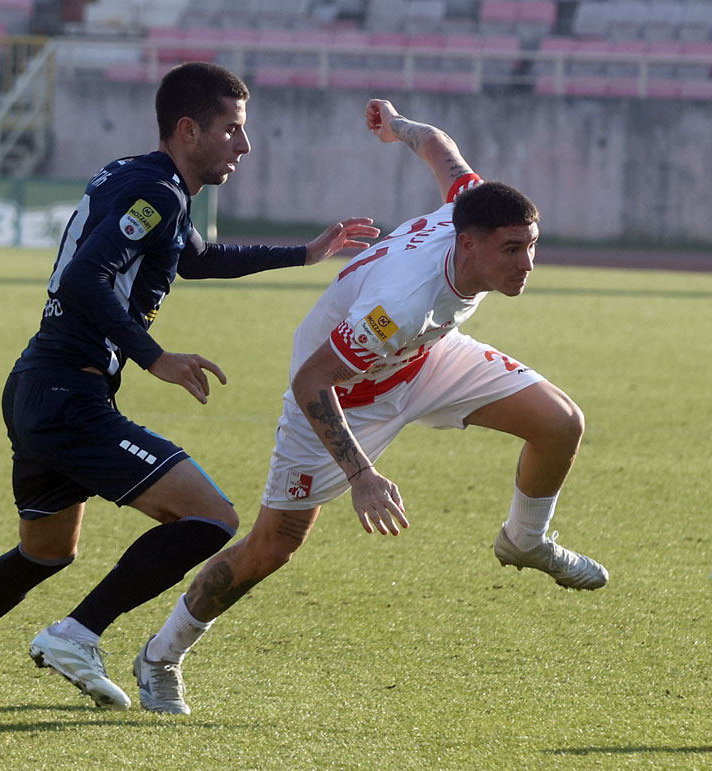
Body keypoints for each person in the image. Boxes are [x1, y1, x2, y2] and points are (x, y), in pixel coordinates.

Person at [0, 62, 378, 710]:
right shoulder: (158, 192)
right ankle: (77, 633)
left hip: (40, 387)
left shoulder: (141, 178)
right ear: (188, 129)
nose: (244, 144)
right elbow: (84, 277)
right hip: (68, 396)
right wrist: (153, 356)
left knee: (45, 551)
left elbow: (195, 258)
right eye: (232, 128)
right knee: (212, 518)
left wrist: (303, 254)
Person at [128, 99, 609, 715]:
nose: (528, 264)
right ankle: (161, 655)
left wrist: (397, 127)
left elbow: (438, 146)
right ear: (467, 245)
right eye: (513, 249)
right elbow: (312, 381)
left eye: (532, 246)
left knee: (561, 422)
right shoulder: (400, 304)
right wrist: (362, 476)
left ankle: (525, 541)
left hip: (423, 359)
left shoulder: (471, 203)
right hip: (343, 396)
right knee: (272, 547)